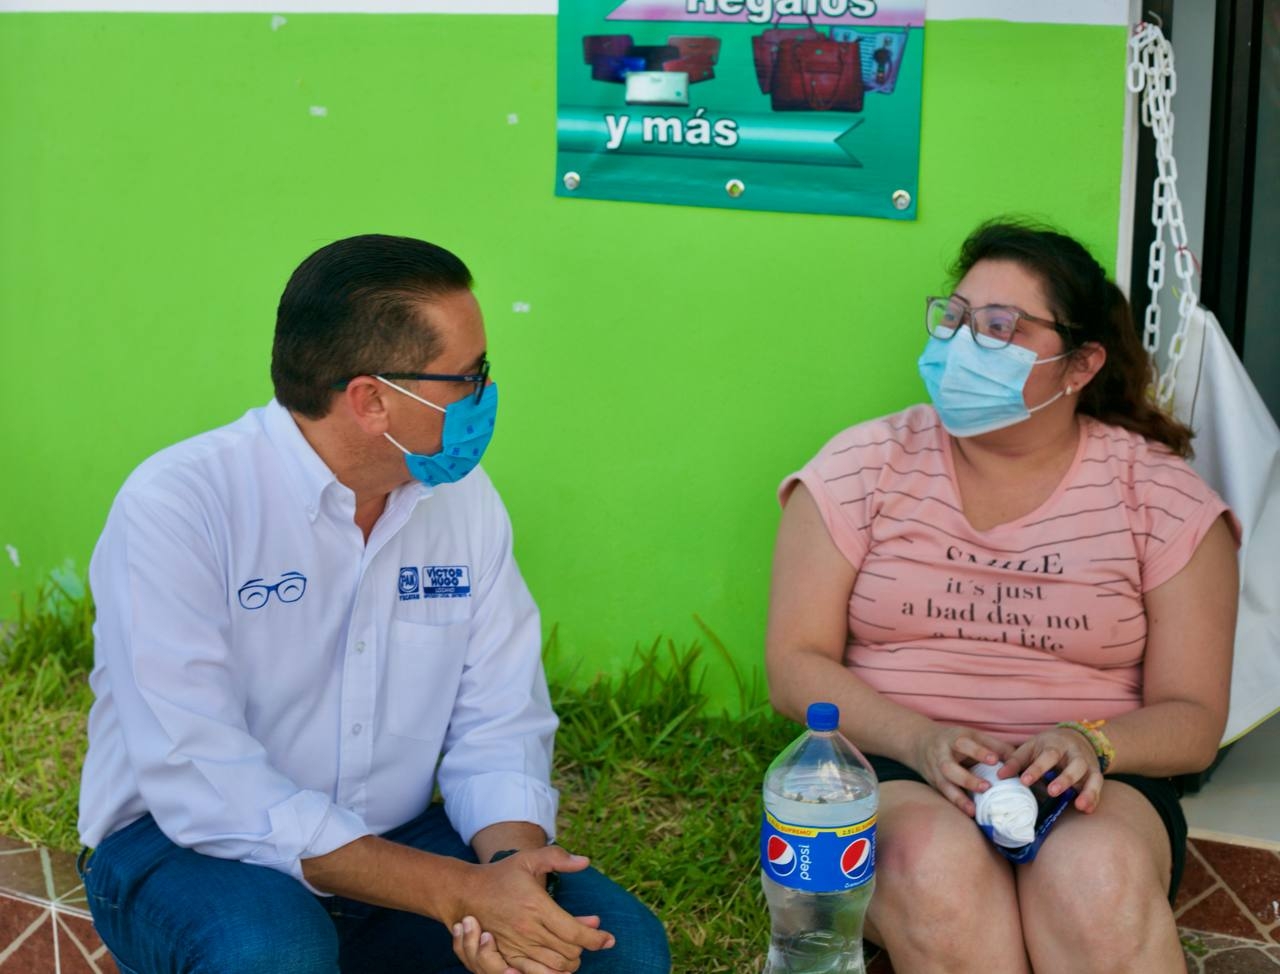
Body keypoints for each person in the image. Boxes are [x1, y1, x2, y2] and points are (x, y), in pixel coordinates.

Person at [77, 234, 671, 974]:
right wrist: (457, 892)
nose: (487, 393)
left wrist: (512, 880)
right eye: (469, 375)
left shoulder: (462, 503)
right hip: (185, 848)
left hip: (396, 840)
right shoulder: (181, 505)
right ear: (371, 400)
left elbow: (499, 720)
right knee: (275, 952)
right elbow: (204, 779)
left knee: (619, 950)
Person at [765, 220, 1239, 973]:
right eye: (954, 318)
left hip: (1097, 785)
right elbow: (795, 665)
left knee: (1095, 884)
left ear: (1081, 365)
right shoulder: (862, 468)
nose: (960, 344)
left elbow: (1192, 721)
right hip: (898, 765)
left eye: (997, 328)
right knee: (935, 872)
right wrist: (918, 738)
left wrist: (1092, 742)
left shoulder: (1162, 499)